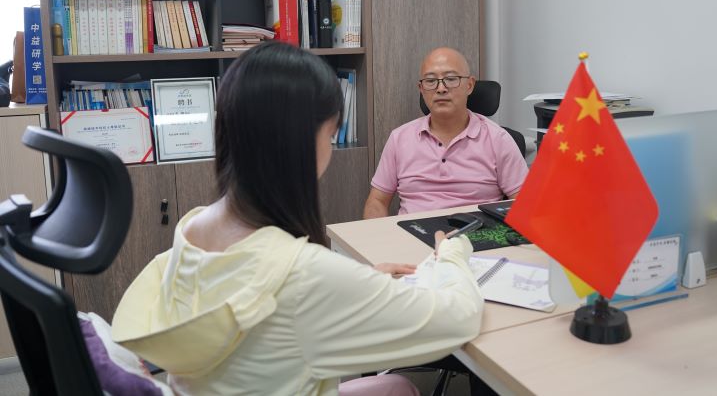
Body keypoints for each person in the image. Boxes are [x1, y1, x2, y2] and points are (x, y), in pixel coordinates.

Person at [111, 42, 484, 396]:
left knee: (396, 386)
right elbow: (458, 319)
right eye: (331, 133)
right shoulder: (304, 273)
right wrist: (452, 254)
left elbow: (261, 295)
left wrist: (357, 281)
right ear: (302, 142)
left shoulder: (193, 226)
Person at [363, 47, 529, 219]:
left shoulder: (498, 139)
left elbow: (525, 204)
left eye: (451, 79)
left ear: (469, 85)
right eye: (430, 81)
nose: (441, 88)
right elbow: (377, 201)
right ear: (421, 88)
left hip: (474, 232)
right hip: (412, 231)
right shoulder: (399, 138)